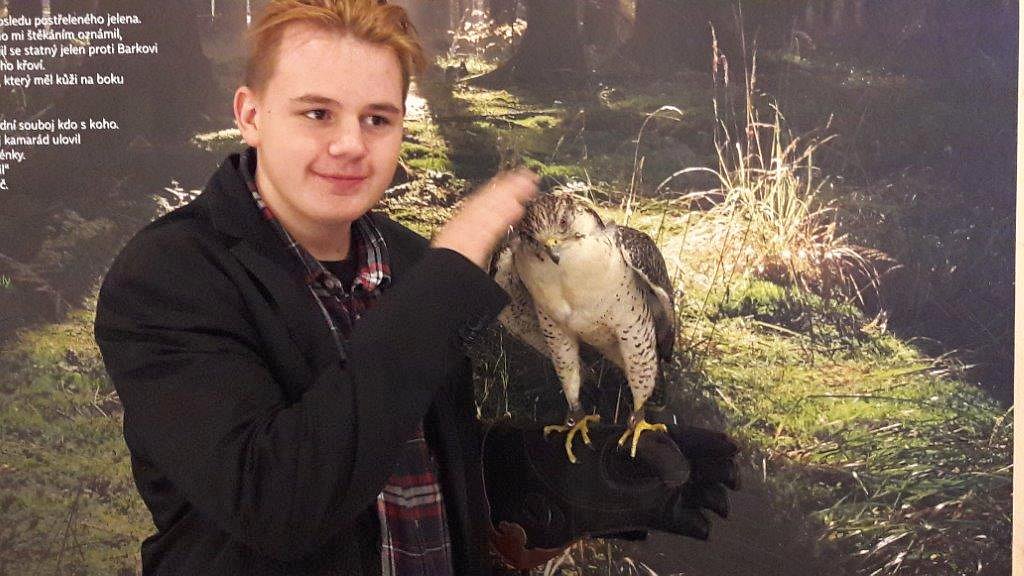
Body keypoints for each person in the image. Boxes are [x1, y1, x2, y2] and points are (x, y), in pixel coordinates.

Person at [93, 1, 738, 575]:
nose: (350, 144)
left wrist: (553, 476)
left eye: (377, 118)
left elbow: (409, 452)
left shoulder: (406, 259)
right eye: (317, 112)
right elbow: (277, 504)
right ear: (251, 115)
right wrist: (442, 286)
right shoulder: (169, 276)